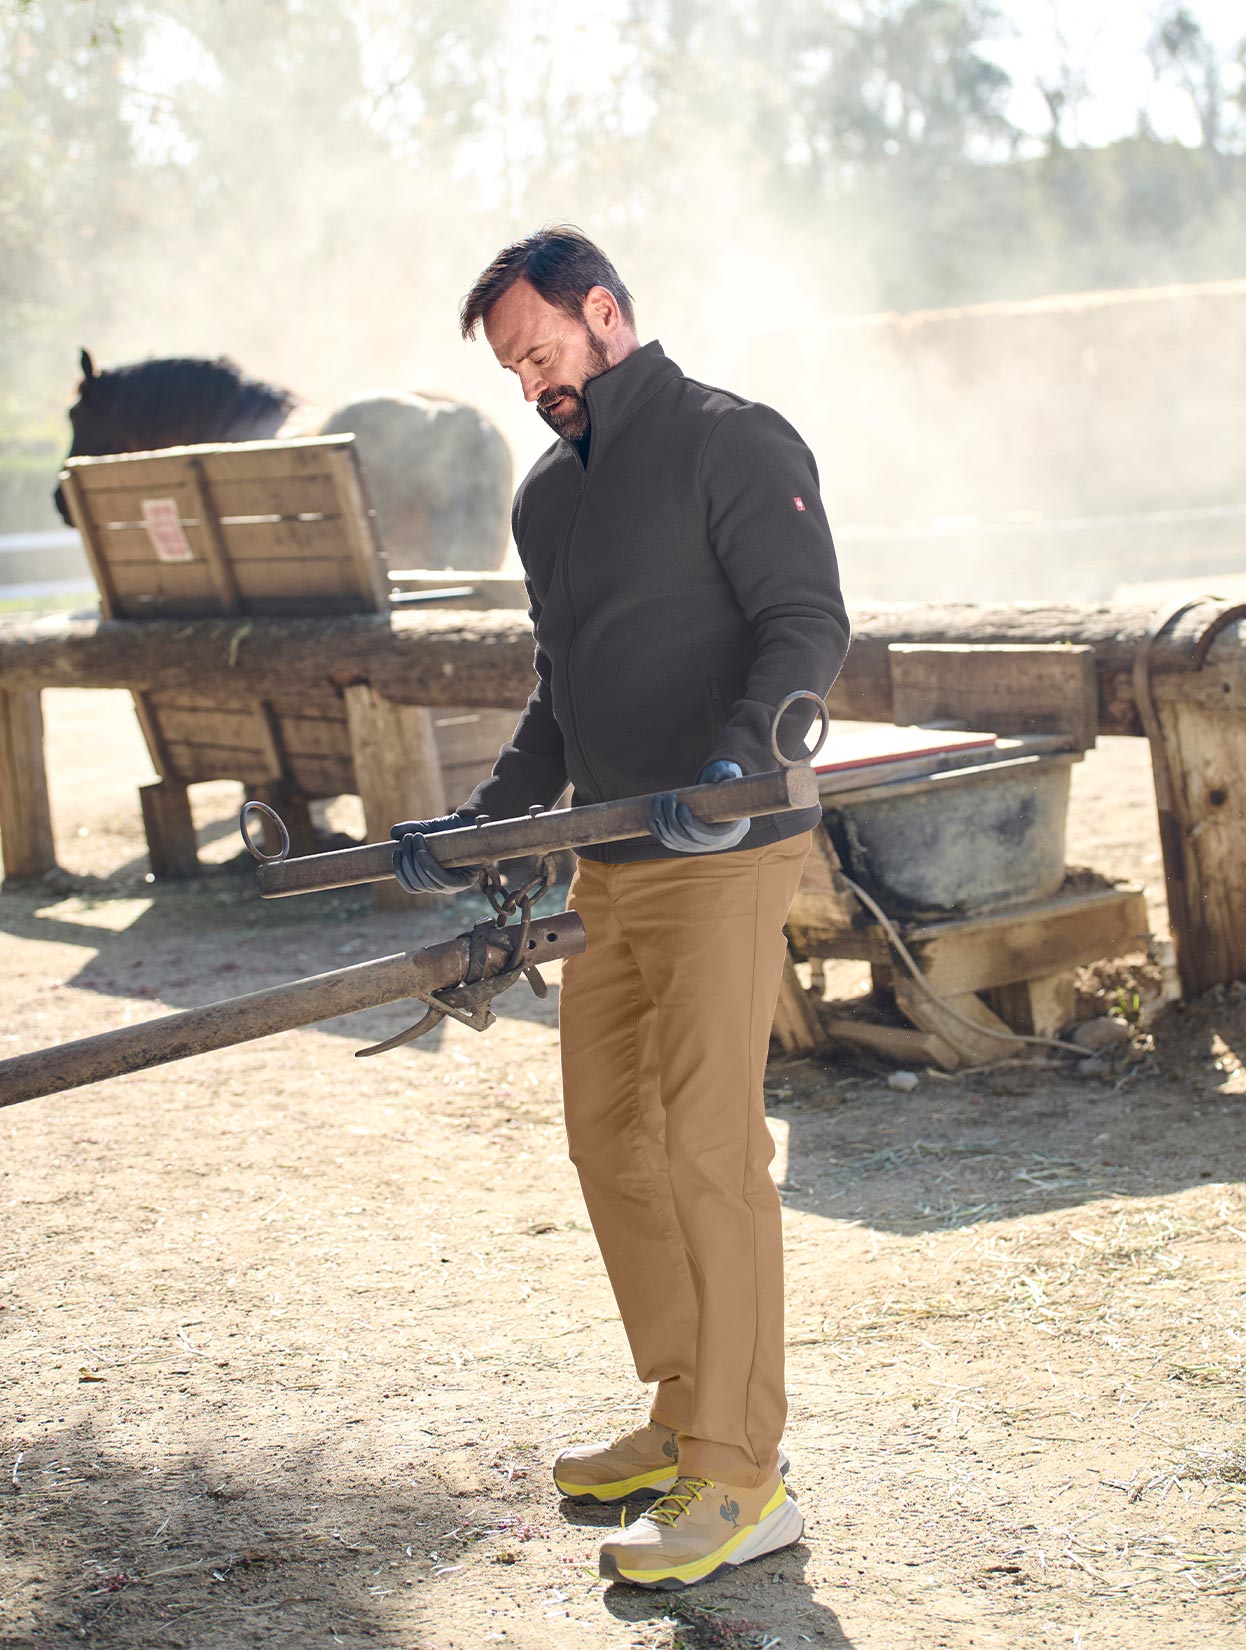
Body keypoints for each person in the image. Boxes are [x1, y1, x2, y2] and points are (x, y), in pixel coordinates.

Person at [390, 227, 851, 1591]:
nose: (531, 379)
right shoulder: (547, 499)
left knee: (709, 1143)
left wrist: (743, 754)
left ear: (605, 312)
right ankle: (680, 1406)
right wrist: (489, 816)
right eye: (512, 367)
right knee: (611, 1140)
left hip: (727, 843)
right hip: (611, 863)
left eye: (541, 349)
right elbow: (559, 690)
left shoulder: (735, 439)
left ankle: (741, 1472)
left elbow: (804, 621)